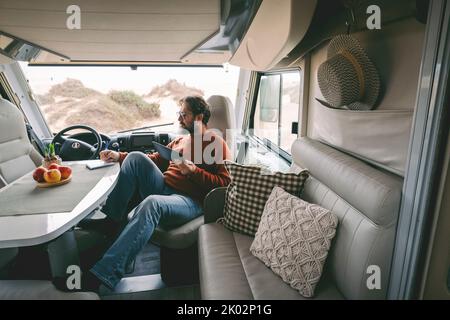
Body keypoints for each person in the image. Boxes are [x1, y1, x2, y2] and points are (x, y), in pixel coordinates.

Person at [62, 96, 231, 292]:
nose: (179, 119)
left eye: (184, 115)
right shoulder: (181, 140)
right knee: (135, 157)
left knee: (152, 203)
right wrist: (119, 156)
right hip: (165, 188)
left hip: (190, 201)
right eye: (179, 114)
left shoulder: (216, 143)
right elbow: (158, 160)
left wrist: (194, 171)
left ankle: (103, 274)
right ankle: (111, 219)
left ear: (199, 117)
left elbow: (224, 185)